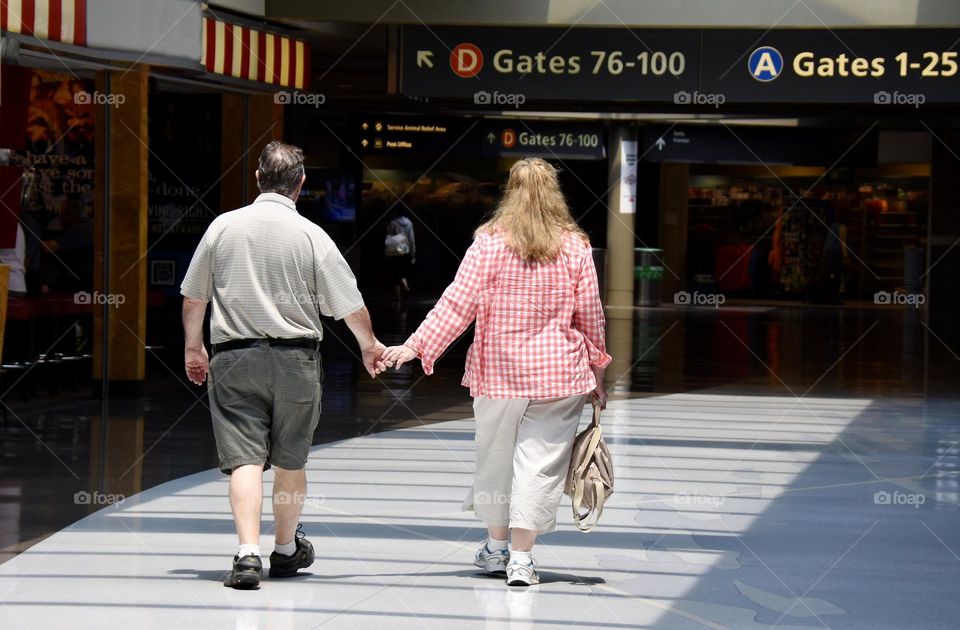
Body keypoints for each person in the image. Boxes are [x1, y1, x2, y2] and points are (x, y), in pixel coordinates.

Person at [382, 158, 611, 587]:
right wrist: (597, 372)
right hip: (557, 376)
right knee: (540, 466)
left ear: (510, 191)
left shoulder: (487, 243)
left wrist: (414, 346)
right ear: (554, 193)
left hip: (498, 374)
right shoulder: (576, 246)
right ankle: (522, 560)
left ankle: (496, 548)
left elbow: (456, 305)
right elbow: (591, 317)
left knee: (496, 459)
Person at [180, 141, 387, 590]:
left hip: (234, 358)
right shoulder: (313, 235)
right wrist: (369, 346)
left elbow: (194, 296)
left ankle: (247, 554)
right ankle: (287, 550)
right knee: (291, 460)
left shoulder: (222, 227)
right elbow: (349, 304)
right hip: (296, 361)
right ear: (301, 184)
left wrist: (194, 348)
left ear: (257, 178)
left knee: (245, 461)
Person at [385, 209, 416, 300]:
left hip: (396, 251)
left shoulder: (393, 223)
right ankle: (405, 287)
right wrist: (413, 253)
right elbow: (411, 239)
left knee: (395, 274)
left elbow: (389, 238)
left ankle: (399, 295)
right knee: (402, 272)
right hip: (406, 251)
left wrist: (387, 252)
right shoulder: (409, 223)